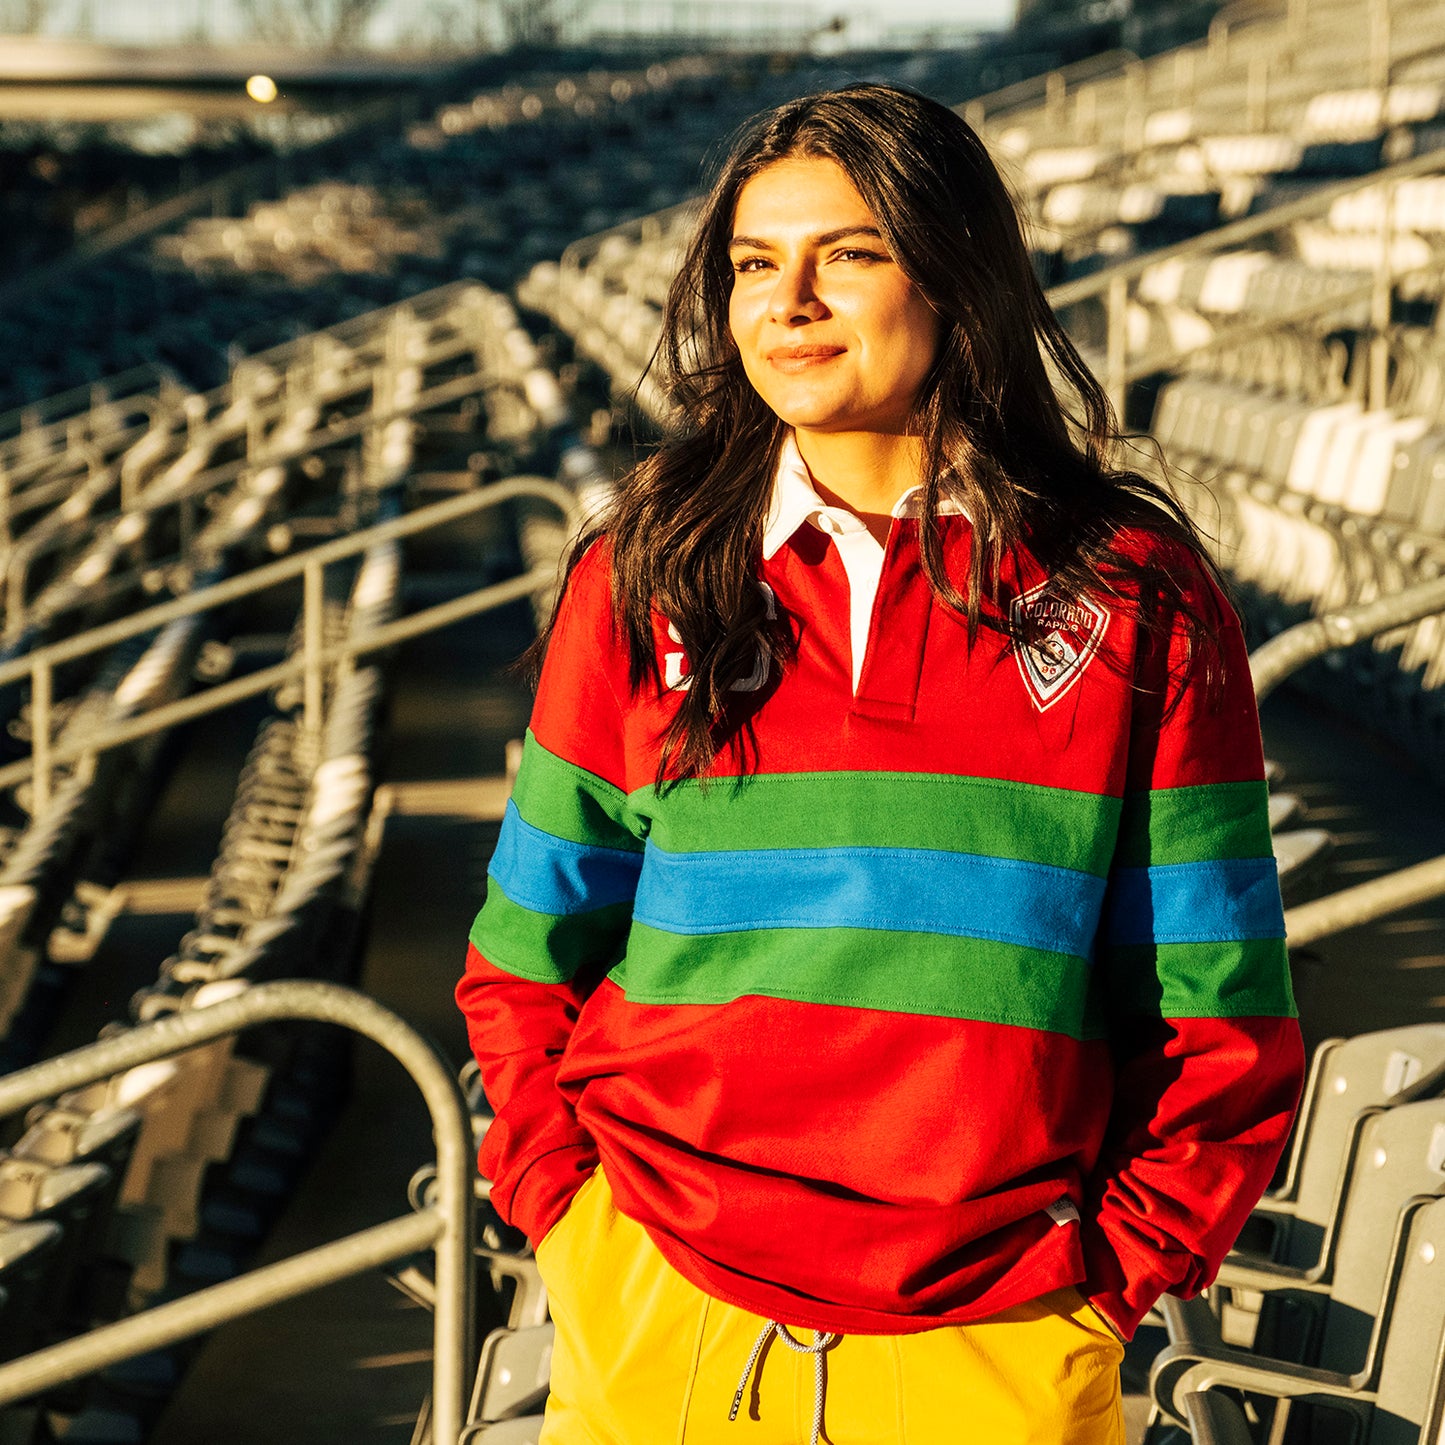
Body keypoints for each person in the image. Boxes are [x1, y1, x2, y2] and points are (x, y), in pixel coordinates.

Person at [457, 83, 1305, 1445]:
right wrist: (572, 1221)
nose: (788, 303)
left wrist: (1101, 1291)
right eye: (754, 265)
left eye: (846, 254)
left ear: (955, 275)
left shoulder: (1131, 594)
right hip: (656, 1310)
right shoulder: (645, 574)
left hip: (997, 1345)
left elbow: (1220, 1004)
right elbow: (524, 951)